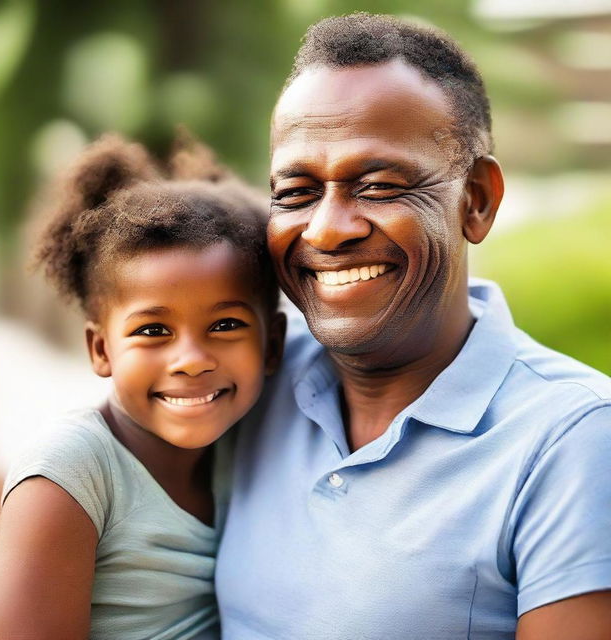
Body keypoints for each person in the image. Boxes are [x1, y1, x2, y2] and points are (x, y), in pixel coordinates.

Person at [215, 13, 611, 639]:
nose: (325, 229)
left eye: (377, 185)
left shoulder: (573, 439)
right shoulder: (245, 382)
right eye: (295, 192)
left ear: (475, 200)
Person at [0, 135, 285, 639]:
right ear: (101, 351)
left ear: (272, 347)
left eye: (225, 326)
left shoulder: (244, 448)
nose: (190, 361)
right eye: (152, 331)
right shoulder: (71, 476)